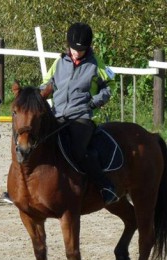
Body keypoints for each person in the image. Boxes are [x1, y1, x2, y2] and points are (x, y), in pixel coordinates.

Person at [40, 22, 118, 205]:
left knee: (77, 149)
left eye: (80, 50)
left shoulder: (96, 63)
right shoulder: (60, 62)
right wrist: (40, 94)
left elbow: (110, 87)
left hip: (82, 117)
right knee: (38, 142)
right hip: (58, 113)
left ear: (88, 47)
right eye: (73, 48)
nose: (76, 52)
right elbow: (47, 83)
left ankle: (106, 186)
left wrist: (94, 102)